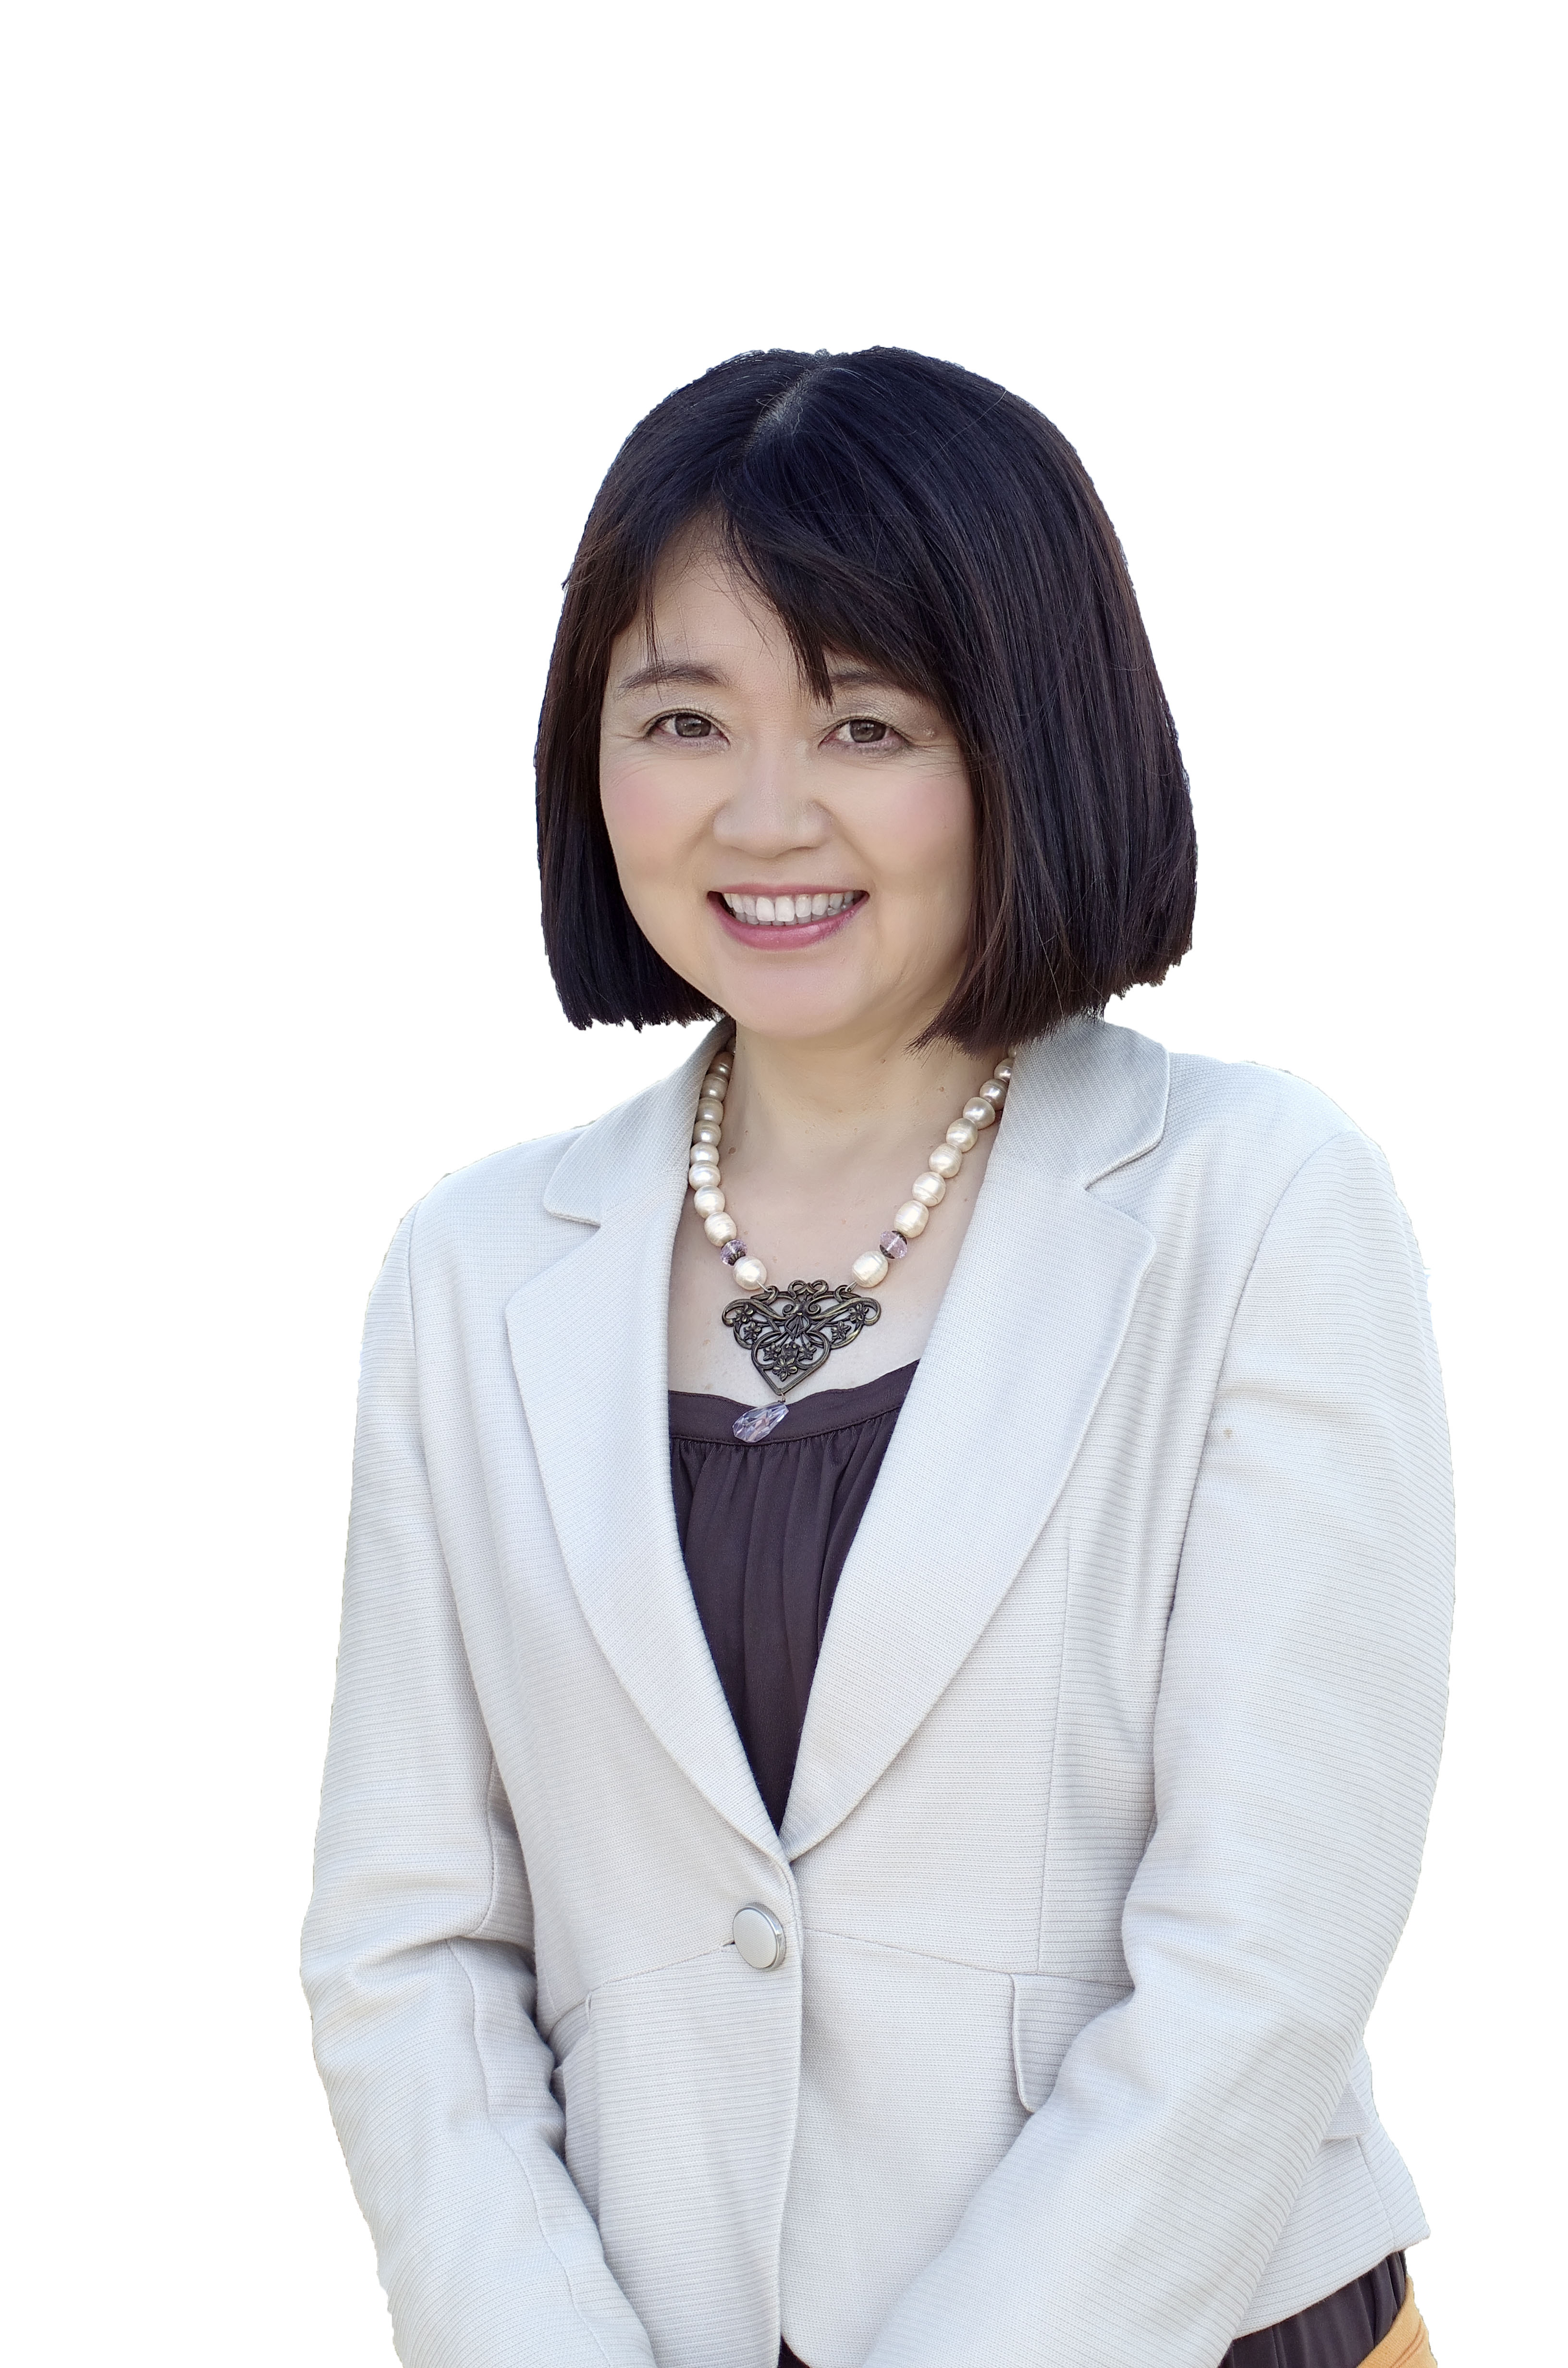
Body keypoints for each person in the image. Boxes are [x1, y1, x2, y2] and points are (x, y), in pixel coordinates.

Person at [302, 347, 1450, 2368]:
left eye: (866, 721)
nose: (765, 812)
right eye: (684, 719)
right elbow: (413, 1948)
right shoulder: (467, 1272)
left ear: (1030, 738)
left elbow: (1264, 1951)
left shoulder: (1258, 1203)